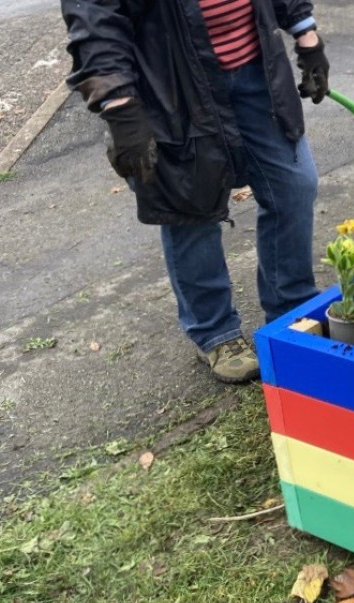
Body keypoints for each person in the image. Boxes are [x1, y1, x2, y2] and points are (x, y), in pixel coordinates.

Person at [60, 0, 331, 383]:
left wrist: (306, 34)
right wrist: (119, 104)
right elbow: (95, 19)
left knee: (294, 185)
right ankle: (214, 331)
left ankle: (290, 308)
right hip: (172, 85)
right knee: (188, 207)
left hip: (258, 72)